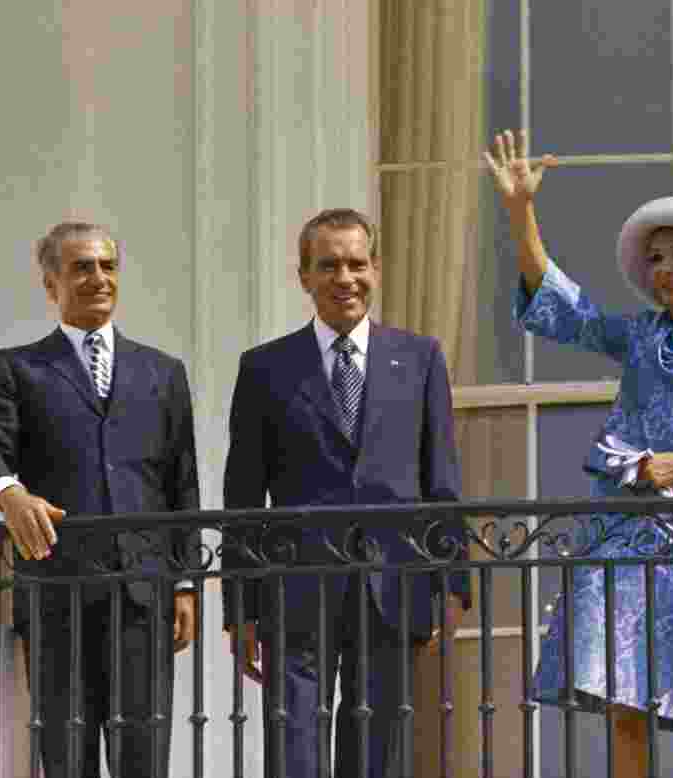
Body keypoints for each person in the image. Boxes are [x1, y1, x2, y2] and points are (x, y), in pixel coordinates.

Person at [484, 130, 673, 778]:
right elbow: (567, 310)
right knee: (624, 710)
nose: (667, 268)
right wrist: (521, 214)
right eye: (657, 258)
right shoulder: (640, 336)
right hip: (622, 536)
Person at [221, 208, 471, 778]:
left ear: (376, 270)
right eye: (328, 265)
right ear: (304, 276)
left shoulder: (420, 357)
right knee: (295, 753)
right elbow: (242, 496)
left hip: (391, 584)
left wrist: (450, 582)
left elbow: (442, 479)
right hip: (295, 589)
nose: (345, 278)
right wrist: (241, 607)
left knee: (378, 753)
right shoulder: (264, 368)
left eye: (357, 264)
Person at [0, 221, 200, 778]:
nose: (98, 278)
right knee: (66, 757)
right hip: (58, 594)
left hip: (142, 595)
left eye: (107, 266)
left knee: (143, 760)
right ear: (51, 284)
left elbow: (182, 484)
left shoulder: (163, 373)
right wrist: (9, 493)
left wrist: (183, 584)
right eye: (81, 267)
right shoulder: (14, 369)